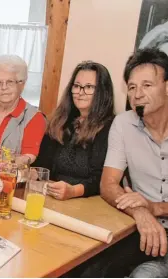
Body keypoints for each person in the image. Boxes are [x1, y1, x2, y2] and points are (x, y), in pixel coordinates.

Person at [96, 48, 168, 277]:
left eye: (147, 85)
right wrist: (141, 213)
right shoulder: (122, 124)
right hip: (135, 225)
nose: (137, 94)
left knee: (146, 275)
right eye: (132, 87)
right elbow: (108, 184)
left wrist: (154, 208)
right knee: (88, 267)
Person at [32, 61, 115, 200]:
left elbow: (101, 180)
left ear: (102, 92)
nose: (80, 93)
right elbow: (42, 166)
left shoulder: (110, 127)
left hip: (89, 204)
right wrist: (29, 173)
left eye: (88, 87)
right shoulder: (60, 121)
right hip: (53, 198)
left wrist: (73, 191)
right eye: (76, 86)